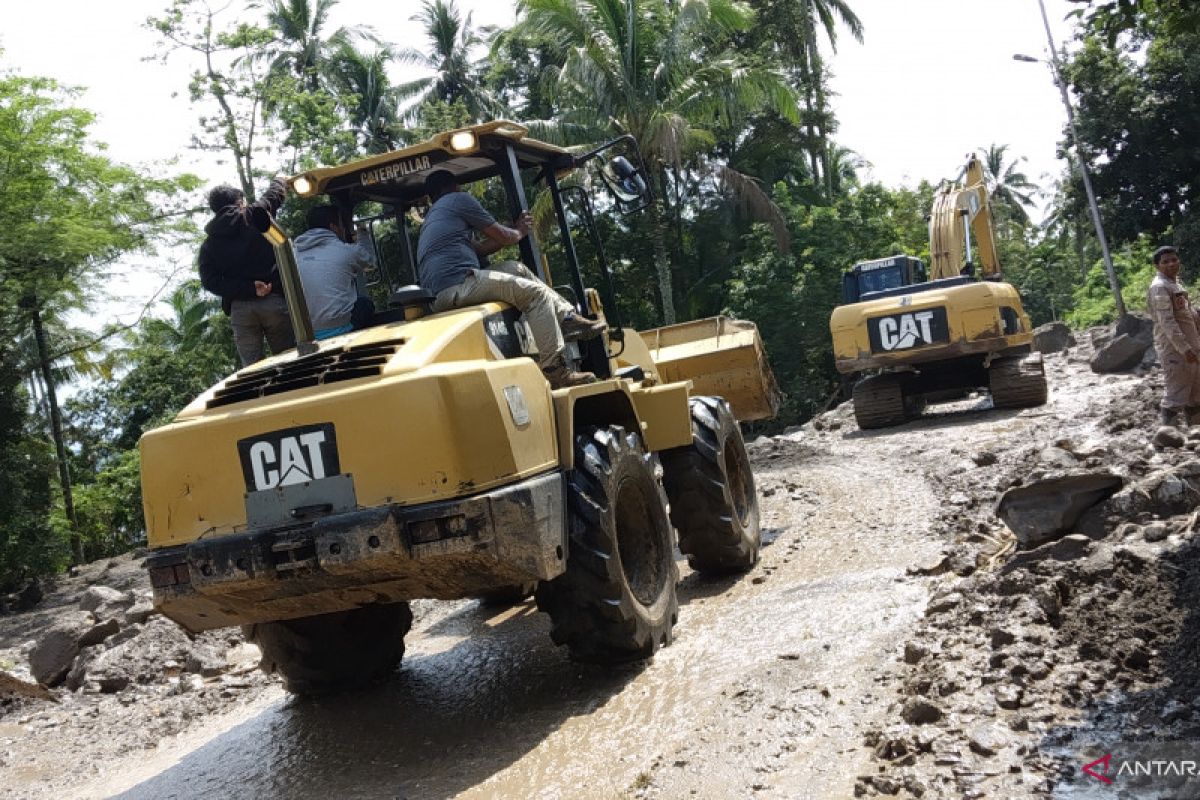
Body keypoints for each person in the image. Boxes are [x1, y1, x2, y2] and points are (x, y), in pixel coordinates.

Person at [415, 169, 606, 388]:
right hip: (460, 284)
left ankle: (567, 319)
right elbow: (505, 237)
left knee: (515, 268)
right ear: (454, 186)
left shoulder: (435, 217)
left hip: (440, 294)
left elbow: (479, 249)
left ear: (431, 196)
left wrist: (514, 230)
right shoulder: (458, 200)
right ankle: (557, 371)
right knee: (536, 295)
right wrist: (520, 230)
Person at [198, 179, 295, 365]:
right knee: (289, 361)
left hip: (240, 310)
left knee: (252, 370)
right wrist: (280, 181)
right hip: (272, 300)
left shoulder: (209, 244)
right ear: (239, 202)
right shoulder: (254, 215)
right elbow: (273, 196)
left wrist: (248, 288)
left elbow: (209, 281)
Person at [294, 205, 377, 339]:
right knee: (365, 303)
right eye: (341, 225)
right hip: (341, 328)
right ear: (333, 227)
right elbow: (371, 262)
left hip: (307, 333)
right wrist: (362, 232)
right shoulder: (345, 250)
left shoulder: (294, 253)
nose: (343, 229)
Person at [1147, 245, 1200, 427]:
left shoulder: (1175, 284)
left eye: (1174, 259)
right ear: (1157, 266)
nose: (1171, 264)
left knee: (1195, 393)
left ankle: (1195, 432)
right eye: (1165, 261)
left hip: (1192, 347)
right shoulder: (1160, 287)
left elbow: (1187, 313)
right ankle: (1166, 437)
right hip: (1175, 349)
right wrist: (1185, 348)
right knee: (1175, 394)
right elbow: (1167, 322)